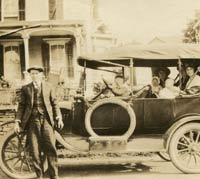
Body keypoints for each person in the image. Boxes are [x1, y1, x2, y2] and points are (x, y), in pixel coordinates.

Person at [14, 66, 64, 179]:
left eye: (36, 73)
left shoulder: (49, 87)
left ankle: (54, 176)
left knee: (51, 149)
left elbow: (54, 103)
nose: (34, 76)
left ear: (41, 75)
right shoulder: (25, 88)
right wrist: (17, 122)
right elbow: (21, 106)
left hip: (47, 121)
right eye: (32, 74)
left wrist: (59, 118)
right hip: (32, 122)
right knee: (35, 151)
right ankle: (39, 176)